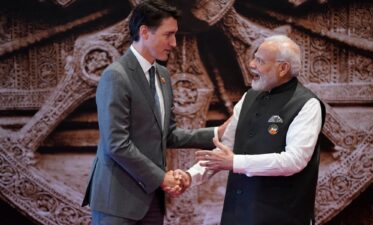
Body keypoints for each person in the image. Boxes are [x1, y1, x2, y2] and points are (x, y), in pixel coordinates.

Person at [81, 1, 226, 224]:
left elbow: (169, 134)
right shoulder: (116, 76)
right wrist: (161, 178)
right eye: (168, 35)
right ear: (144, 32)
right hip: (118, 202)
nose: (174, 43)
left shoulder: (162, 76)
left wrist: (217, 132)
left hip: (151, 201)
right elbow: (116, 143)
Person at [182, 35, 326, 225]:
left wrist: (235, 162)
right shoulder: (248, 97)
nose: (251, 65)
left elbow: (294, 160)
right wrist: (189, 176)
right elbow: (225, 149)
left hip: (281, 217)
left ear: (283, 68)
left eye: (260, 61)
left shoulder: (307, 104)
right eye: (254, 58)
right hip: (237, 215)